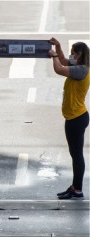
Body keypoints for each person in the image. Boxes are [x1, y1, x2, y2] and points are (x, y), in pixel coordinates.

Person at [50, 38, 89, 200]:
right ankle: (75, 187)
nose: (71, 56)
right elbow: (65, 61)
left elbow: (59, 68)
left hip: (76, 118)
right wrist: (58, 46)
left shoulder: (82, 70)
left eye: (73, 53)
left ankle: (78, 190)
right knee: (75, 154)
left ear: (80, 54)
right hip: (74, 117)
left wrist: (53, 56)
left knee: (77, 155)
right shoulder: (79, 66)